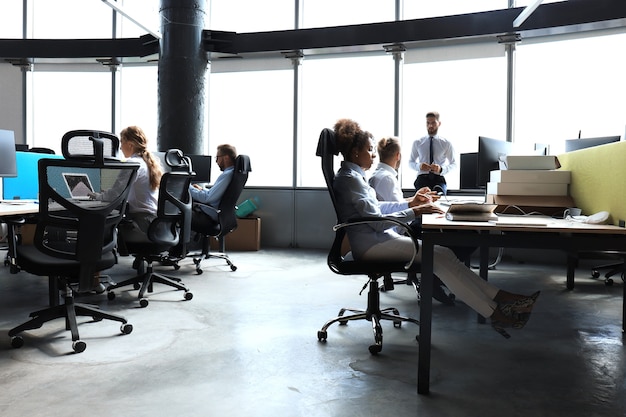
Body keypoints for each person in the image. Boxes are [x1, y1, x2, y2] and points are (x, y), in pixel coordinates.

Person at [333, 118, 539, 338]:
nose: (374, 155)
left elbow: (377, 208)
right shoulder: (350, 180)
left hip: (378, 239)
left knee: (443, 253)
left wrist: (411, 203)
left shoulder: (354, 176)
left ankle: (500, 299)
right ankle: (496, 311)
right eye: (370, 150)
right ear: (355, 152)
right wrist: (417, 211)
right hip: (373, 245)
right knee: (438, 256)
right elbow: (375, 220)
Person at [87, 125, 163, 289]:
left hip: (142, 224)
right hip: (155, 223)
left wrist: (96, 196)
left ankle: (91, 279)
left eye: (122, 142)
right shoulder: (148, 163)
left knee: (97, 227)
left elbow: (116, 194)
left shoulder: (132, 163)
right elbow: (124, 191)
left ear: (130, 143)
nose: (120, 147)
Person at [189, 144, 237, 231]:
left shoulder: (227, 174)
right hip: (222, 214)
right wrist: (202, 189)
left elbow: (207, 198)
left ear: (226, 157)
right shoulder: (233, 173)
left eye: (217, 157)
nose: (216, 161)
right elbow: (215, 195)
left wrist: (187, 186)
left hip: (212, 213)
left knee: (180, 212)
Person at [409, 111, 456, 195]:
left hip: (439, 178)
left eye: (433, 123)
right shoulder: (418, 142)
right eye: (428, 123)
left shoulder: (446, 143)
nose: (430, 126)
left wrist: (441, 169)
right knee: (422, 201)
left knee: (440, 199)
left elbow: (454, 164)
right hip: (422, 178)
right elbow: (410, 162)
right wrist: (419, 166)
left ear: (439, 123)